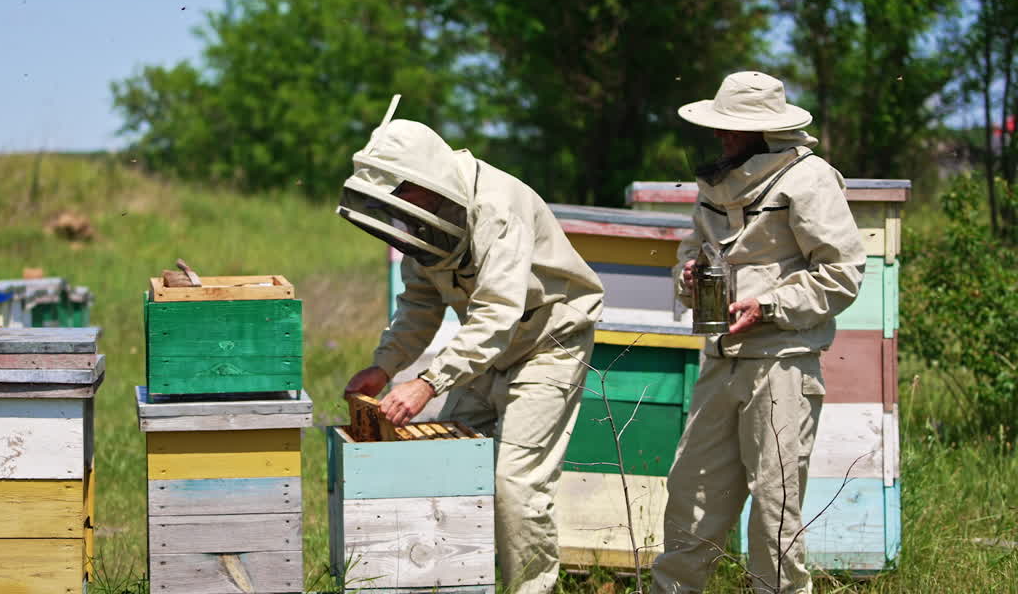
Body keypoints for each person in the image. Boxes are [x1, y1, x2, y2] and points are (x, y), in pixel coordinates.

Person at [338, 99, 604, 594]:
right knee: (450, 466)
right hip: (488, 350)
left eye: (403, 191)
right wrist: (384, 367)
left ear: (426, 177)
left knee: (515, 485)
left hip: (548, 342)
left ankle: (531, 590)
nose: (399, 203)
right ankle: (459, 581)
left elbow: (499, 312)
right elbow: (419, 306)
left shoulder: (497, 210)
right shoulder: (424, 219)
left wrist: (428, 382)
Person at [650, 72, 866, 594]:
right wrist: (687, 276)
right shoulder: (717, 185)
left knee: (774, 508)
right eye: (718, 126)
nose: (721, 137)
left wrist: (768, 305)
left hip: (782, 362)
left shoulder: (809, 179)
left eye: (731, 128)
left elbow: (842, 273)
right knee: (692, 496)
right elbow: (693, 252)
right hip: (721, 360)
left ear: (765, 131)